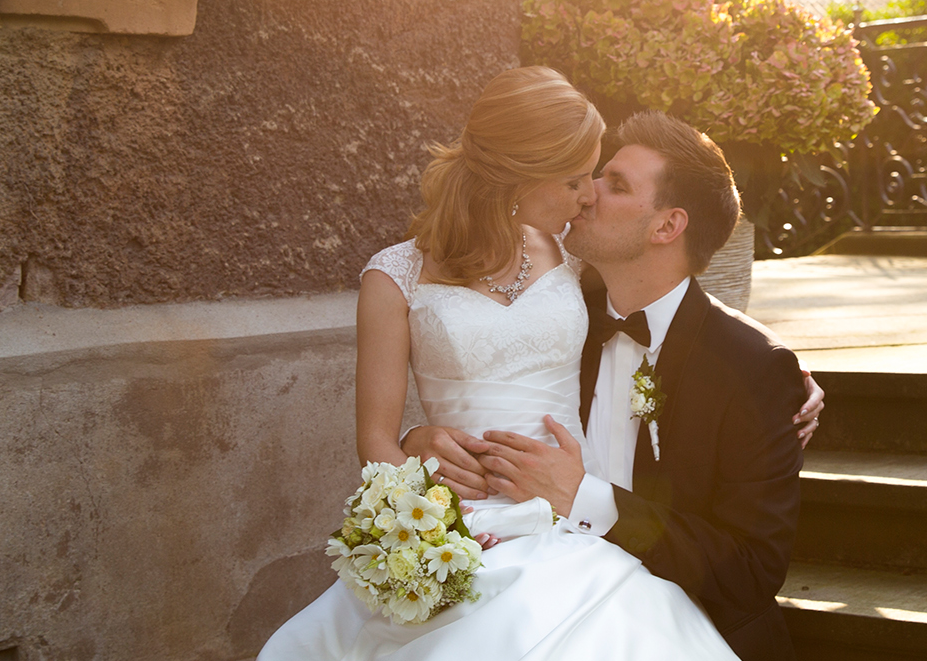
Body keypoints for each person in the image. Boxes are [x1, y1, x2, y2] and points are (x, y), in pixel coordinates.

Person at [258, 68, 820, 661]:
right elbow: (384, 432)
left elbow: (677, 305)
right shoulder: (452, 278)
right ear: (521, 176)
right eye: (582, 178)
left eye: (608, 181)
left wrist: (785, 368)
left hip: (596, 553)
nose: (590, 195)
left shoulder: (578, 275)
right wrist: (416, 464)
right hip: (461, 524)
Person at [405, 111, 810, 661]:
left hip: (686, 629)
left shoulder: (751, 370)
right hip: (533, 603)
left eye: (614, 185)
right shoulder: (561, 318)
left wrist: (584, 498)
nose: (586, 193)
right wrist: (417, 440)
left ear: (667, 227)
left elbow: (751, 571)